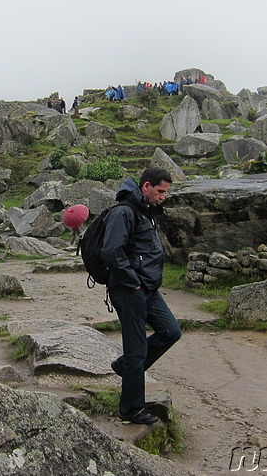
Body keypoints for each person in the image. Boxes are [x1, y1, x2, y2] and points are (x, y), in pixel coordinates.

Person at [101, 167, 181, 425]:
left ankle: (126, 368)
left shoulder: (145, 212)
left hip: (148, 288)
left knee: (171, 331)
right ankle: (131, 409)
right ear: (146, 186)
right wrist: (132, 283)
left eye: (165, 192)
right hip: (129, 290)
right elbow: (111, 251)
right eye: (160, 191)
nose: (163, 197)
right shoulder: (124, 212)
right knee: (136, 350)